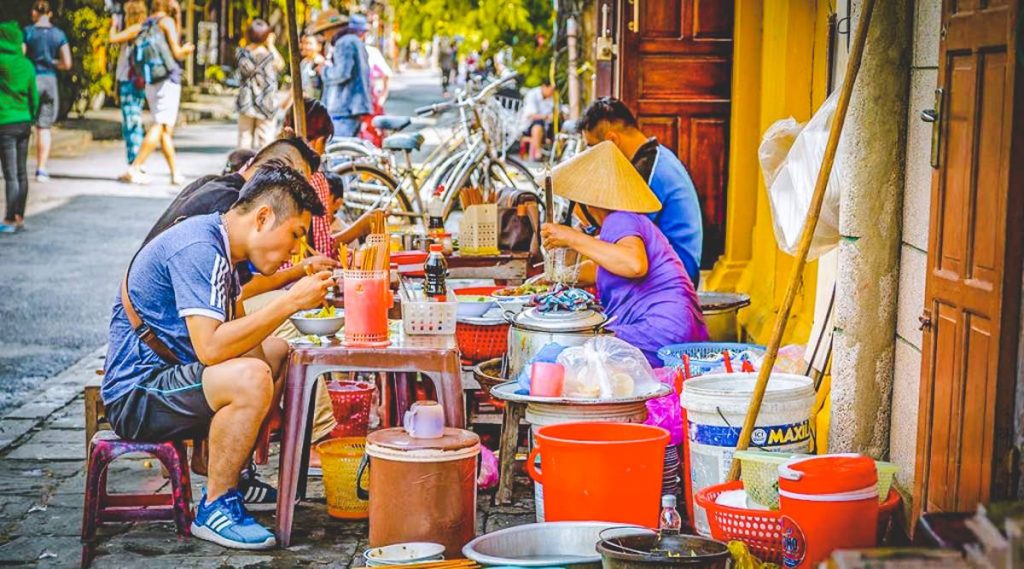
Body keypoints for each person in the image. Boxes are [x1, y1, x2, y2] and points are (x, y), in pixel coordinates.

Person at [103, 166, 329, 549]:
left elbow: (249, 348)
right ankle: (215, 507)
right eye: (294, 235)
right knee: (252, 377)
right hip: (137, 394)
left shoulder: (226, 251)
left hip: (173, 379)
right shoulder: (200, 248)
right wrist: (289, 302)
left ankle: (232, 472)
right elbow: (210, 348)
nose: (295, 251)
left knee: (275, 352)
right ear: (263, 217)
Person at [539, 141, 707, 367]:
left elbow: (634, 265)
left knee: (554, 358)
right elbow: (602, 268)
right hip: (671, 329)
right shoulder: (620, 227)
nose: (576, 213)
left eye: (575, 204)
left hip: (659, 332)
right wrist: (552, 277)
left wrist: (572, 237)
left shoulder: (620, 219)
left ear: (587, 202)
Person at [579, 97, 704, 287]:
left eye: (591, 148)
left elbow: (622, 249)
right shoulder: (658, 156)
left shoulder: (648, 173)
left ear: (612, 140)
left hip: (674, 279)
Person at [118, 0, 194, 185]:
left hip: (151, 79)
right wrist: (186, 50)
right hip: (167, 79)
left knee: (165, 129)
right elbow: (176, 52)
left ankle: (175, 172)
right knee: (160, 124)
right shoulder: (166, 21)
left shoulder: (146, 22)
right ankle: (135, 166)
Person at [22, 1, 70, 183]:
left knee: (25, 124)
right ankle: (41, 169)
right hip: (50, 80)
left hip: (31, 79)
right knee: (44, 127)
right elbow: (67, 63)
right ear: (49, 13)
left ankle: (20, 166)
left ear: (34, 12)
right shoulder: (58, 35)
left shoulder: (28, 32)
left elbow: (22, 56)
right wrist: (52, 62)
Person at [0, 21, 39, 234]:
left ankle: (8, 218)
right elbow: (34, 95)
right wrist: (31, 117)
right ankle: (19, 216)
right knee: (22, 172)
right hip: (24, 121)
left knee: (10, 174)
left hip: (4, 121)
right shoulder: (26, 64)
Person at [314, 10, 372, 139]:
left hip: (345, 108)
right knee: (348, 149)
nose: (324, 37)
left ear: (331, 29)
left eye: (324, 32)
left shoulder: (344, 43)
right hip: (352, 107)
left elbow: (342, 73)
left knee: (339, 149)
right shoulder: (353, 41)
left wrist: (323, 70)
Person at [109, 0, 149, 167]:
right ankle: (135, 161)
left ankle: (136, 163)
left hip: (130, 81)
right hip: (133, 80)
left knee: (132, 121)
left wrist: (113, 24)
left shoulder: (136, 28)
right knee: (132, 120)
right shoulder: (140, 29)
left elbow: (113, 39)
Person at [236, 19, 285, 149]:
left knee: (244, 139)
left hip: (247, 101)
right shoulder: (269, 55)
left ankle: (242, 167)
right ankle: (266, 169)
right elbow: (281, 65)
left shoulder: (242, 54)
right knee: (266, 140)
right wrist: (271, 45)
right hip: (267, 101)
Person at [520, 80, 555, 162]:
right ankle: (537, 152)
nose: (551, 93)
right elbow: (531, 115)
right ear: (544, 87)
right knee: (538, 123)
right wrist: (546, 117)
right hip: (529, 125)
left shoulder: (552, 98)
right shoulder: (533, 94)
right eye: (550, 90)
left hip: (546, 126)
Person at [298, 34, 325, 100]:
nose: (306, 46)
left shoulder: (320, 63)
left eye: (309, 43)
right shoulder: (303, 62)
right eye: (304, 43)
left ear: (319, 46)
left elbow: (318, 90)